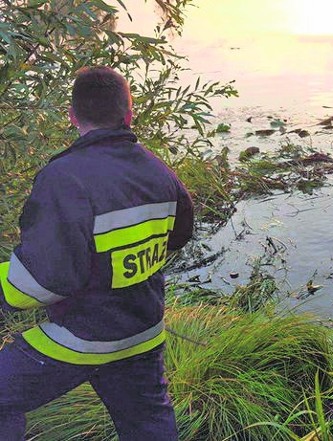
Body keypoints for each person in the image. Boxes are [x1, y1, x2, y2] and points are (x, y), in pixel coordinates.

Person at [0, 66, 193, 440]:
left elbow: (42, 283)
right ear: (128, 113)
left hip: (79, 338)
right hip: (143, 332)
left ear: (72, 116)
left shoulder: (64, 176)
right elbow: (179, 235)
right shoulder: (158, 170)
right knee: (149, 424)